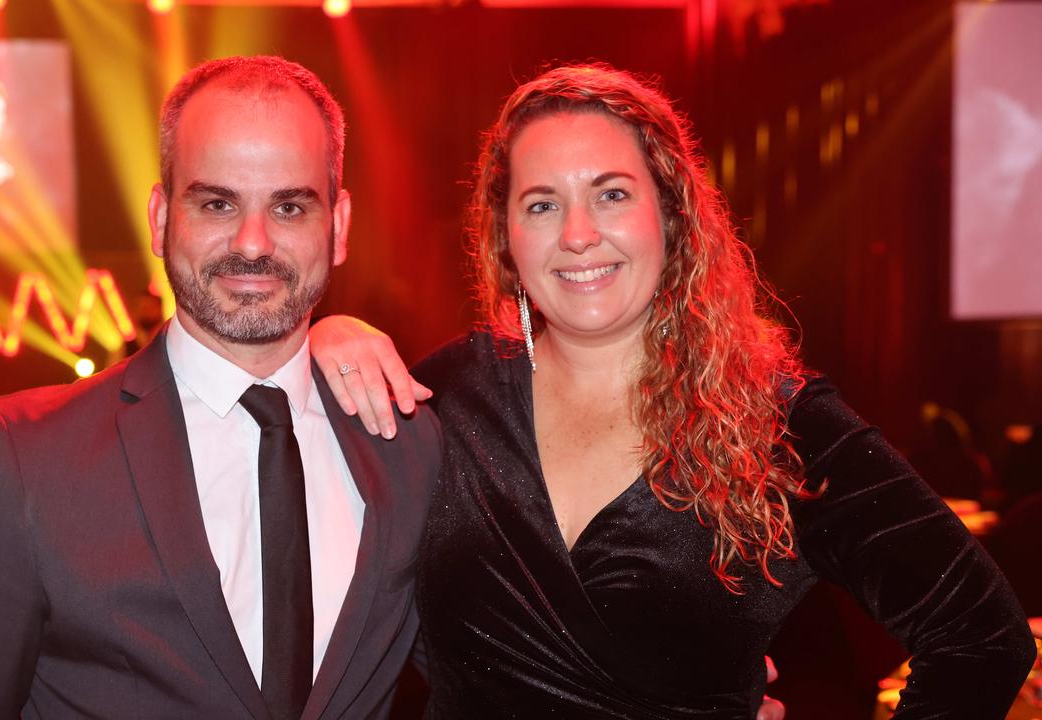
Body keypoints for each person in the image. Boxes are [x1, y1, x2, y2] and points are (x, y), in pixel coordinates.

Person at [310, 63, 1037, 717]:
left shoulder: (777, 425)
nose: (579, 234)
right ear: (504, 237)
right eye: (541, 204)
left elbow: (983, 638)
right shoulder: (439, 398)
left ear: (672, 214)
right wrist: (320, 338)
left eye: (612, 193)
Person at [0, 56, 443, 719]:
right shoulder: (27, 462)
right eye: (217, 202)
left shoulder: (407, 444)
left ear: (339, 226)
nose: (253, 242)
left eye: (291, 205)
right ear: (160, 219)